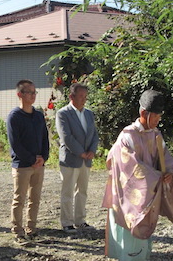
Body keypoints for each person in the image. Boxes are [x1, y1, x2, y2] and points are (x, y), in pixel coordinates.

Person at [102, 89, 173, 261]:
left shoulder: (156, 134)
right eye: (155, 116)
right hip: (127, 194)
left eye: (159, 116)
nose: (158, 120)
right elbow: (129, 169)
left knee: (144, 231)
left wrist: (168, 173)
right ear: (143, 113)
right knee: (130, 228)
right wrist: (156, 177)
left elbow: (165, 158)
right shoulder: (127, 135)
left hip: (147, 192)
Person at [6, 79, 49, 245]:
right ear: (20, 94)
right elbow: (15, 143)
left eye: (34, 92)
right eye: (29, 92)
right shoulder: (14, 116)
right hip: (22, 165)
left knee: (35, 198)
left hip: (39, 164)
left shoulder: (38, 115)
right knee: (19, 199)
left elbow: (45, 138)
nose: (33, 95)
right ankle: (17, 231)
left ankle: (32, 228)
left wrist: (43, 157)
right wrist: (31, 159)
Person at [55, 83, 99, 233]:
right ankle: (67, 222)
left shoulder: (88, 113)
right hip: (70, 159)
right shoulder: (63, 113)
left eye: (85, 97)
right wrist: (81, 152)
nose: (83, 100)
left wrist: (92, 151)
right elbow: (66, 137)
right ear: (71, 96)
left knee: (82, 191)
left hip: (86, 159)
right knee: (67, 192)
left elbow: (94, 135)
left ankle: (80, 220)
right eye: (81, 96)